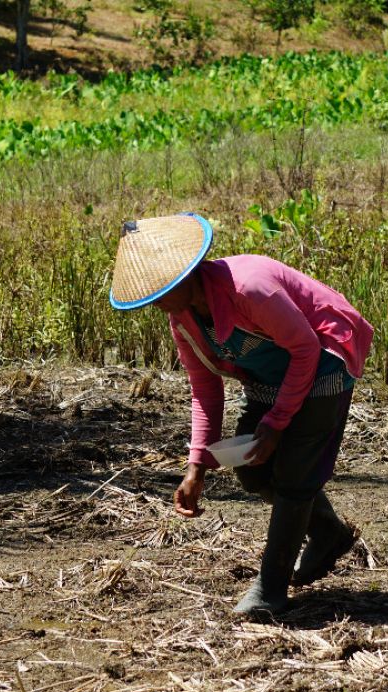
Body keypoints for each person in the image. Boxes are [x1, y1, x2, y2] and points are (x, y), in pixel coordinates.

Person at [110, 213, 373, 618]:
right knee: (251, 469)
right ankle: (327, 533)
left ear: (186, 276)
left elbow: (305, 349)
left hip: (323, 363)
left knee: (293, 478)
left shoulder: (249, 289)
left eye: (160, 293)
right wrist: (196, 466)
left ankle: (270, 590)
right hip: (271, 378)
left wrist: (275, 424)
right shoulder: (183, 320)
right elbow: (205, 389)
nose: (157, 304)